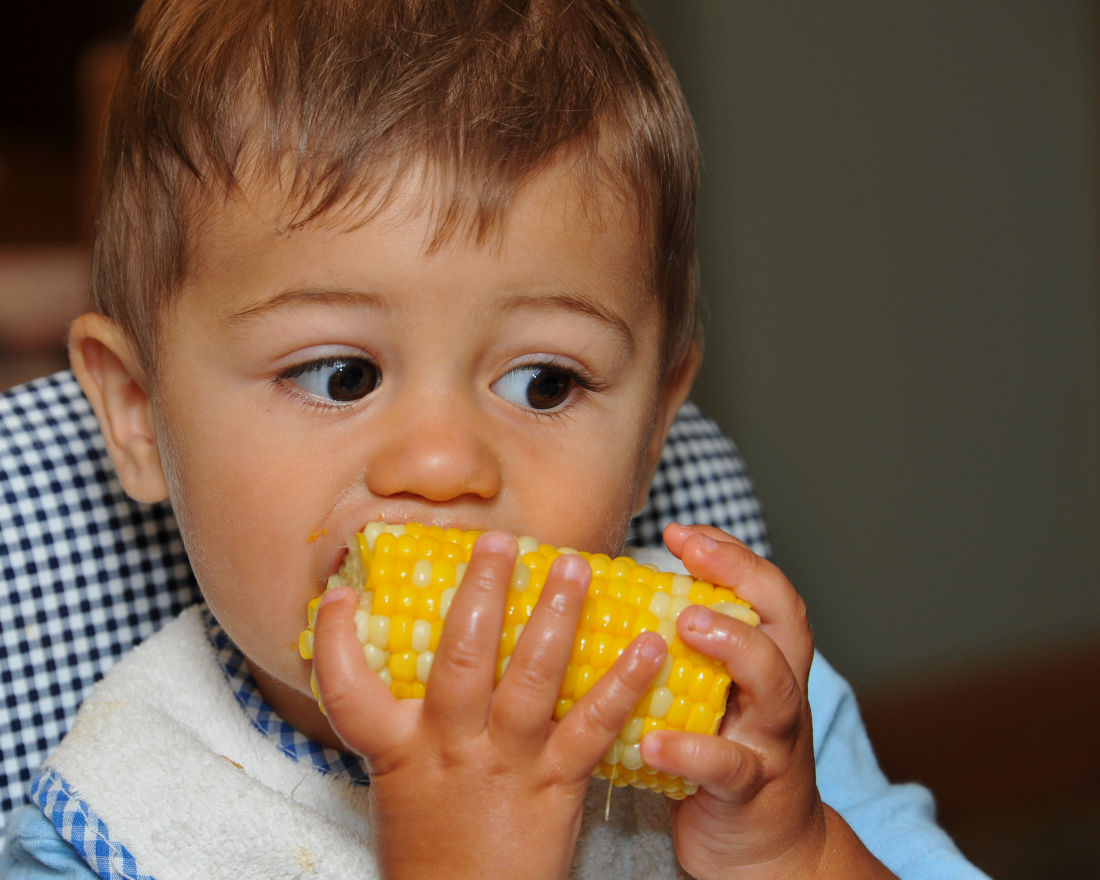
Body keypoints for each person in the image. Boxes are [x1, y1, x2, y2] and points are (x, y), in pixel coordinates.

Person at [1, 1, 989, 878]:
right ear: (136, 412)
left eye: (544, 382)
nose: (444, 464)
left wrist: (794, 851)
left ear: (652, 427)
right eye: (341, 374)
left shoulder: (754, 723)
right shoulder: (109, 828)